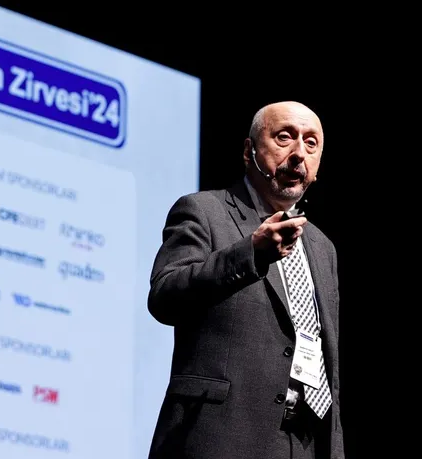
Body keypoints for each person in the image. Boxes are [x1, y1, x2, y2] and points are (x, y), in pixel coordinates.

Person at [146, 101, 344, 458]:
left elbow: (327, 363)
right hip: (221, 437)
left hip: (304, 443)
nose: (299, 153)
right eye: (284, 137)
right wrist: (251, 252)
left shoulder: (322, 246)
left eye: (311, 143)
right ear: (249, 150)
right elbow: (165, 296)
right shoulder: (204, 211)